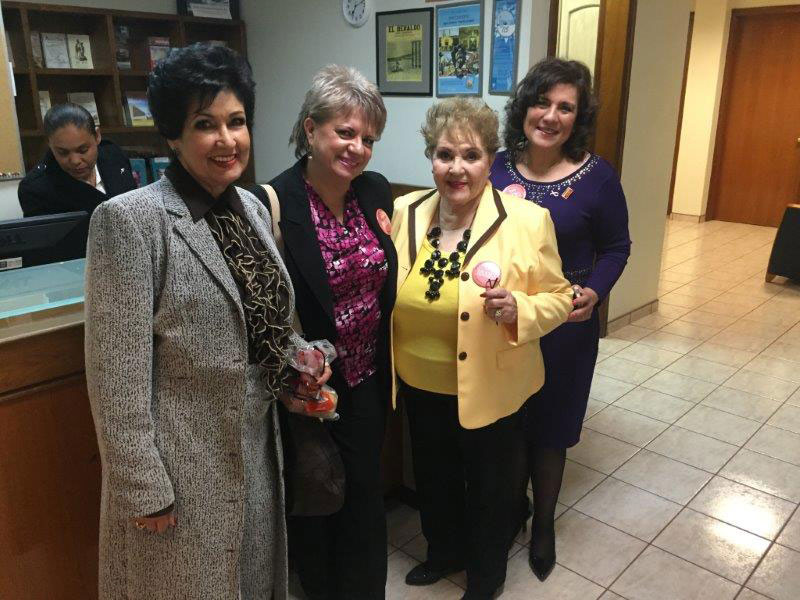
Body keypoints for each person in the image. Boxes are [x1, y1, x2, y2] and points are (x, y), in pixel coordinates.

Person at [84, 43, 328, 600]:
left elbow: (266, 327)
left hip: (256, 455)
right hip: (181, 470)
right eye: (205, 124)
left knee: (253, 585)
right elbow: (114, 378)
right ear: (172, 134)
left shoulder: (252, 209)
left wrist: (302, 362)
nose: (227, 139)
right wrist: (144, 489)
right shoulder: (130, 221)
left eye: (236, 122)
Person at [391, 97, 573, 600]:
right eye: (444, 154)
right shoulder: (406, 211)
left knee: (492, 488)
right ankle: (443, 552)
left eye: (470, 155)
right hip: (420, 381)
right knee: (434, 479)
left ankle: (486, 577)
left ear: (490, 160)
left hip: (493, 383)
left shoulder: (527, 220)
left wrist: (520, 309)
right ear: (431, 158)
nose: (457, 168)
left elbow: (561, 297)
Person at [250, 65, 396, 600]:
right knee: (317, 500)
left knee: (365, 499)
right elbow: (260, 309)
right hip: (310, 390)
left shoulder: (374, 192)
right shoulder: (270, 202)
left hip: (368, 377)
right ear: (311, 129)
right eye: (345, 132)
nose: (358, 148)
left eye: (368, 139)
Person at [489, 57, 631, 581]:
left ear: (578, 118)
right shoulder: (495, 166)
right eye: (541, 102)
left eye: (565, 108)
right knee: (508, 421)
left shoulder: (598, 178)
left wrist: (595, 290)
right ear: (524, 107)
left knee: (551, 427)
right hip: (502, 320)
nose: (550, 116)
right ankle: (512, 510)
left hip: (565, 325)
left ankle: (544, 522)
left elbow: (616, 247)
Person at [18, 103, 136, 217]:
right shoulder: (36, 189)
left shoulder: (113, 154)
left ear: (97, 136)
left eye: (83, 150)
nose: (75, 161)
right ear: (49, 144)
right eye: (63, 153)